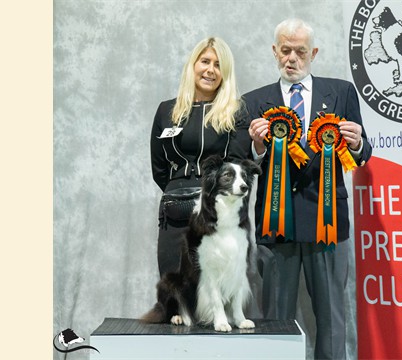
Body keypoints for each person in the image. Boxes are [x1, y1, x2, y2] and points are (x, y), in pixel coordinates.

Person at [243, 19, 372, 359]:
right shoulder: (253, 102)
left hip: (328, 225)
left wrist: (358, 144)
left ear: (313, 53)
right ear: (274, 52)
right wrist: (256, 147)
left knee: (331, 319)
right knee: (275, 321)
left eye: (300, 51)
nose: (292, 58)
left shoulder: (342, 92)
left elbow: (362, 156)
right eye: (285, 50)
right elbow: (243, 164)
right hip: (275, 226)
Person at [150, 37, 251, 277]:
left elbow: (237, 166)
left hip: (219, 215)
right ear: (193, 65)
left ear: (224, 73)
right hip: (175, 211)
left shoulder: (237, 112)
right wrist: (179, 188)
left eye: (218, 65)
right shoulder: (166, 110)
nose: (210, 70)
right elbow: (159, 168)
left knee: (215, 291)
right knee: (175, 292)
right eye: (205, 61)